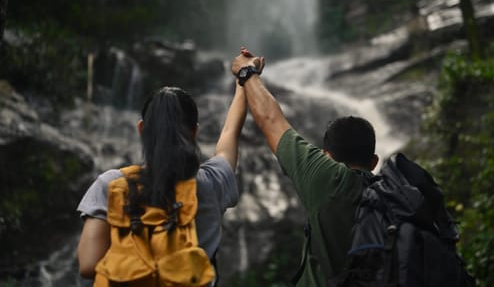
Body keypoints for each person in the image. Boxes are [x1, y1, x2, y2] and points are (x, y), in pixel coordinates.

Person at [231, 48, 379, 287]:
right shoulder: (395, 193)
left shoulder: (326, 177)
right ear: (374, 162)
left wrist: (247, 73)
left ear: (325, 156)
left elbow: (271, 119)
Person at [76, 83, 247, 283]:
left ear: (141, 129)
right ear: (194, 132)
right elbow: (230, 132)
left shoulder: (112, 184)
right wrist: (243, 82)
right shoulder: (213, 183)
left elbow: (88, 265)